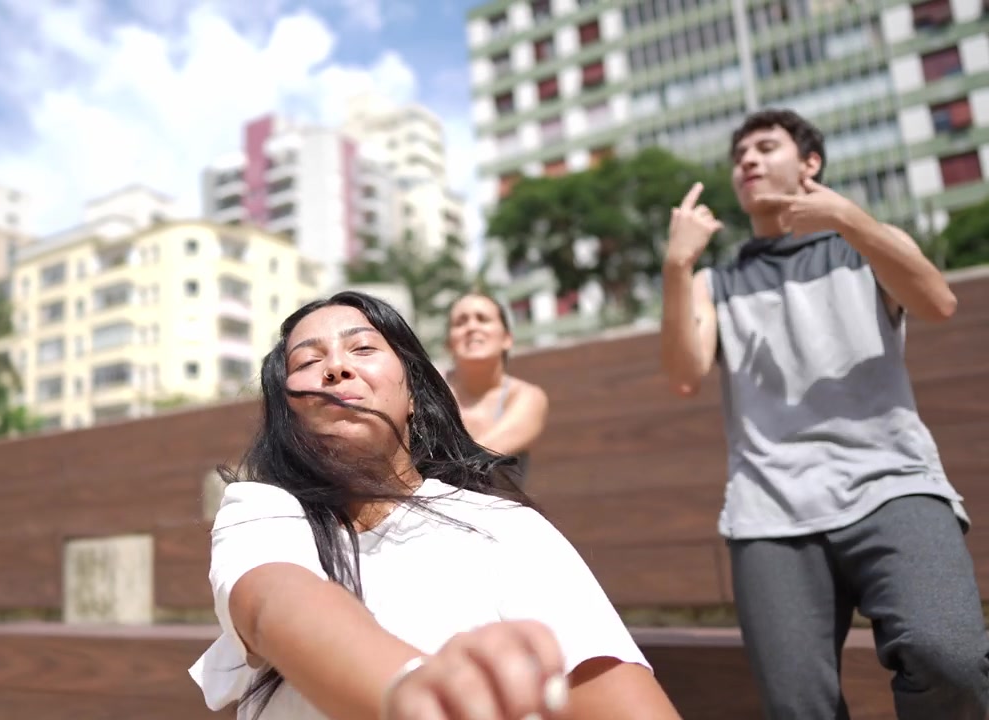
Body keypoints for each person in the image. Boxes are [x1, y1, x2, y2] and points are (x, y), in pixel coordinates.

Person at [189, 290, 681, 720]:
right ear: (289, 415)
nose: (336, 367)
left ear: (413, 396)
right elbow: (274, 601)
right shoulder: (262, 510)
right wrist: (411, 686)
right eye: (307, 363)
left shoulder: (508, 528)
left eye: (363, 348)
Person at [659, 107, 989, 719]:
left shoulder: (869, 245)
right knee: (798, 708)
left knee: (950, 657)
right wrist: (677, 265)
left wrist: (846, 217)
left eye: (766, 147)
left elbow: (938, 302)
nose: (747, 160)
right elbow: (683, 375)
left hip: (893, 485)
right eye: (739, 155)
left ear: (810, 163)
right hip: (770, 511)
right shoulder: (715, 283)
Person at [444, 292, 548, 486]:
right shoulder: (426, 388)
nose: (472, 327)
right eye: (460, 322)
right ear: (448, 344)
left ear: (507, 338)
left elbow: (479, 457)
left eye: (483, 319)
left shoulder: (527, 396)